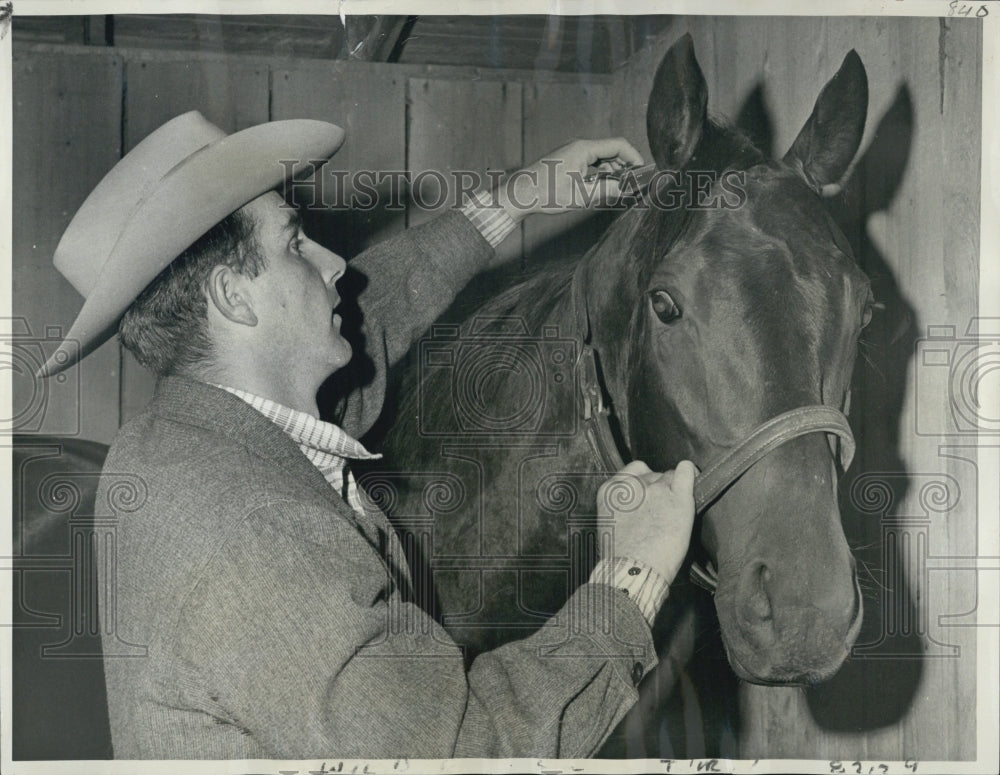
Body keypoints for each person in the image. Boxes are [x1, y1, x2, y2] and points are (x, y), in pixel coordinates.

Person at [38, 110, 697, 759]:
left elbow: (376, 311)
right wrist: (631, 580)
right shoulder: (259, 535)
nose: (337, 267)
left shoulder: (184, 435)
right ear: (234, 298)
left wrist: (519, 197)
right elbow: (461, 746)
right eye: (296, 244)